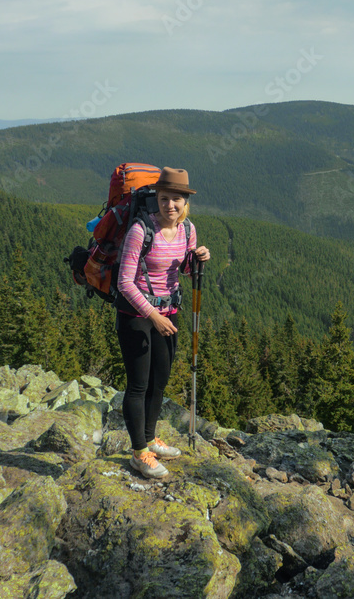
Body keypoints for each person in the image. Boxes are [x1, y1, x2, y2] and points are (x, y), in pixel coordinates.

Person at [116, 167, 210, 479]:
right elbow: (125, 283)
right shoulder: (140, 231)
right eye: (165, 198)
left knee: (160, 379)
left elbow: (181, 270)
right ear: (156, 198)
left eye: (177, 199)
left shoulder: (188, 230)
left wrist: (198, 258)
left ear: (186, 202)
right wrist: (152, 316)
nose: (171, 205)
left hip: (169, 313)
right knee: (139, 383)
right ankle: (139, 452)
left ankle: (150, 437)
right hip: (136, 315)